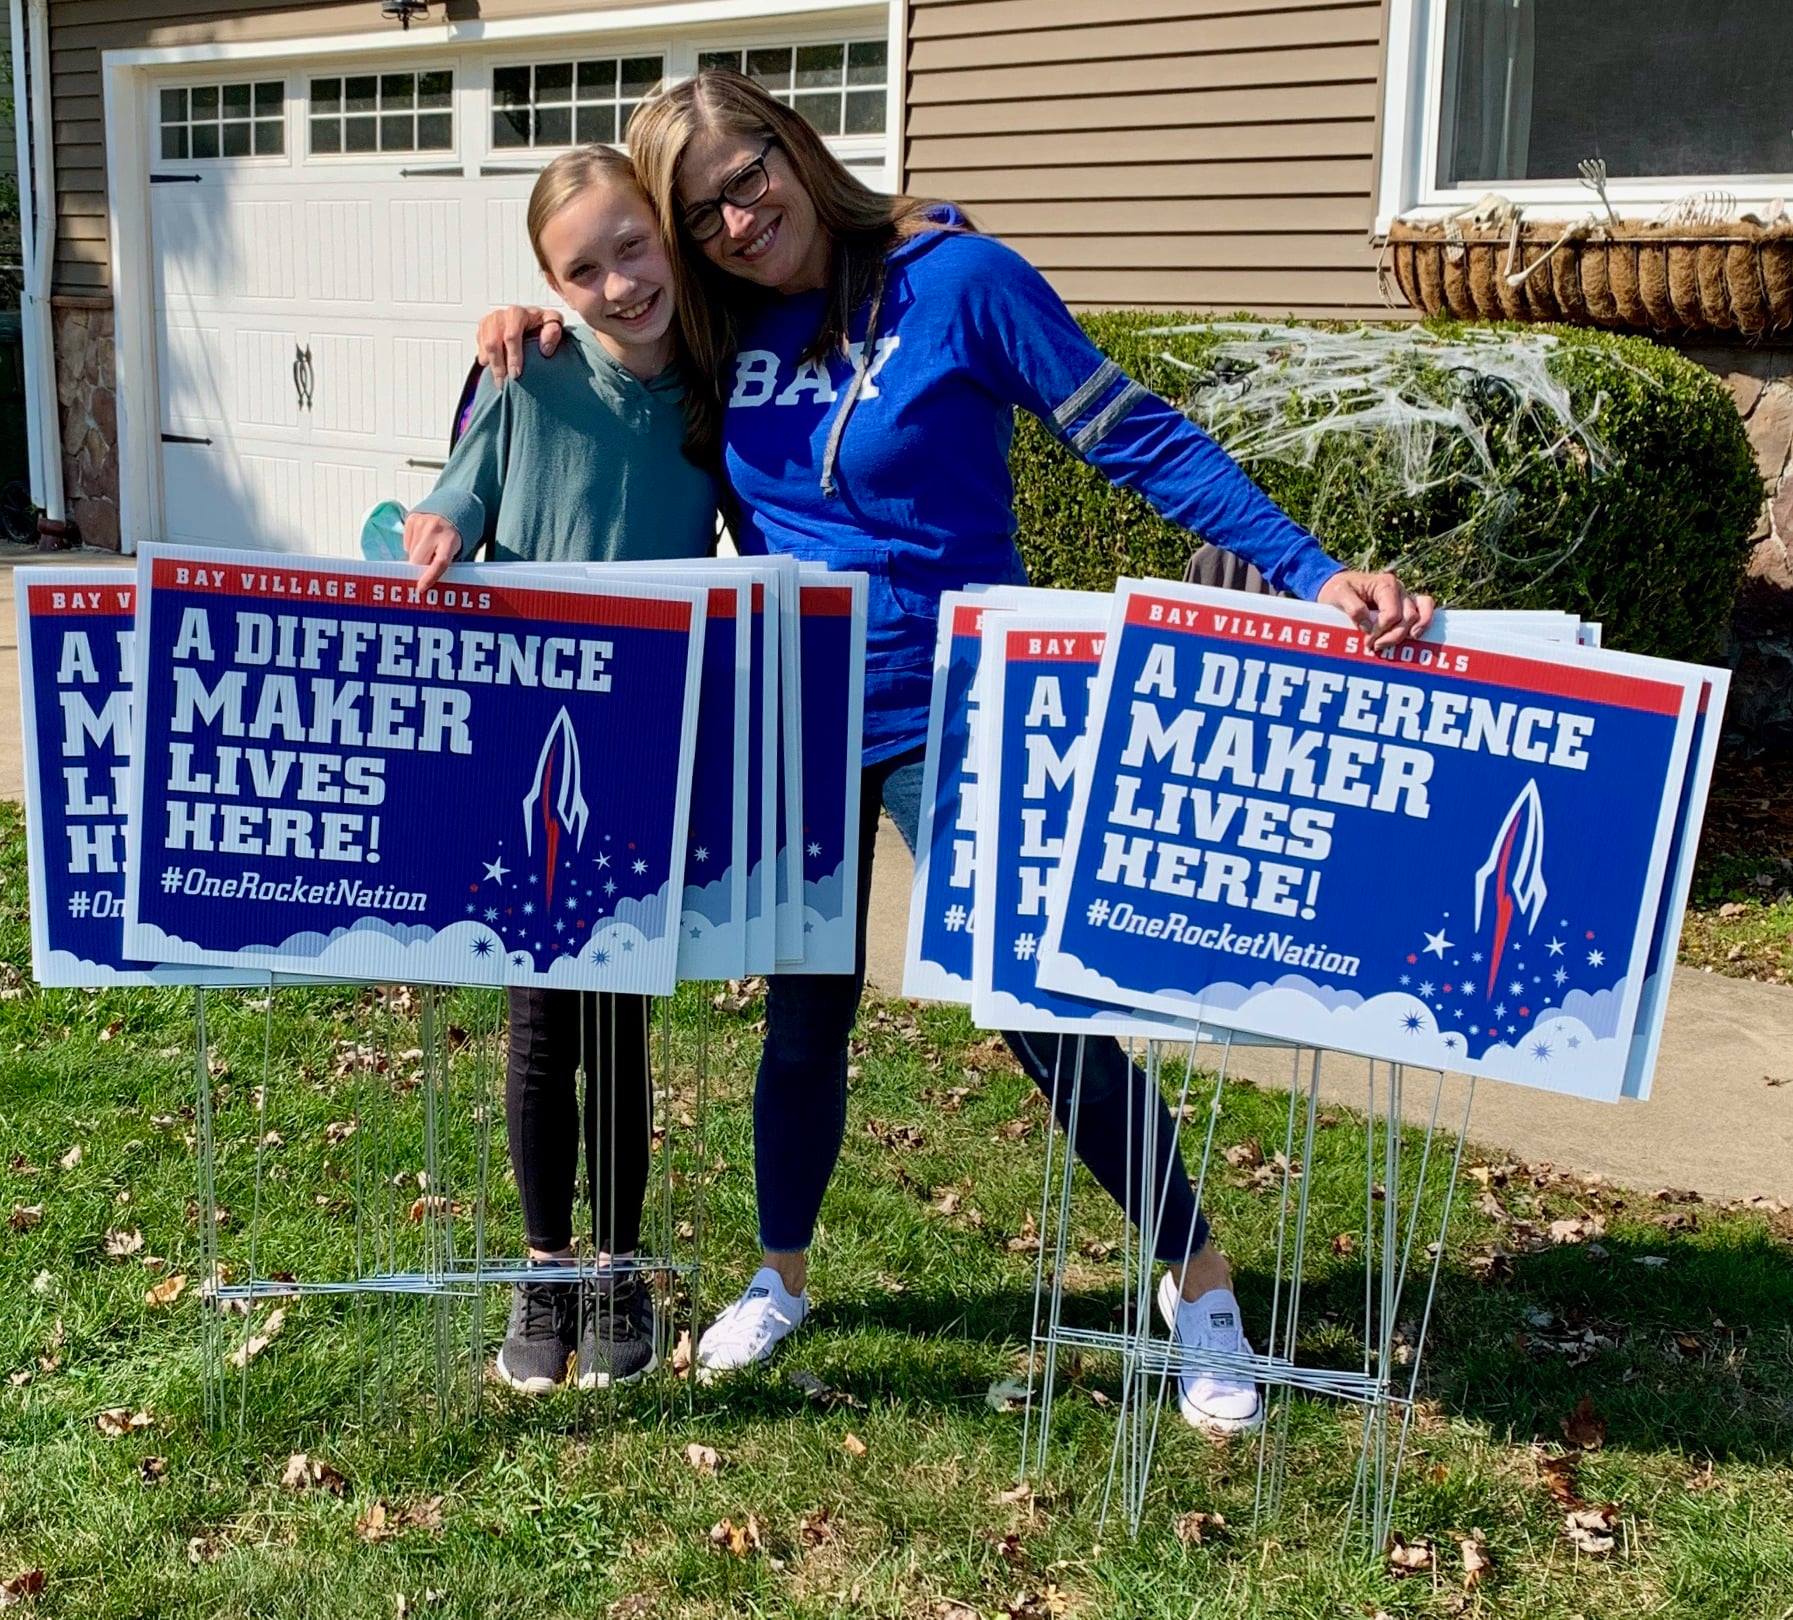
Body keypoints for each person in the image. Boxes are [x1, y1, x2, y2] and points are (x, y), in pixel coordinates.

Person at [474, 71, 1435, 1433]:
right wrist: (526, 322)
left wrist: (1306, 567)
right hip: (795, 706)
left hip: (954, 701)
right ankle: (782, 1273)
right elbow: (611, 357)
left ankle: (1199, 1283)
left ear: (793, 147)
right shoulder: (715, 320)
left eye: (747, 176)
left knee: (1031, 1001)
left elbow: (1129, 433)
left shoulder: (958, 280)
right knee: (803, 1015)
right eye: (701, 213)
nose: (740, 219)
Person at [409, 143, 717, 1393]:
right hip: (526, 735)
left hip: (644, 737)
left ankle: (617, 1267)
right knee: (540, 1027)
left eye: (630, 247)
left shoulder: (713, 384)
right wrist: (437, 523)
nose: (616, 282)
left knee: (620, 1024)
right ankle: (543, 1271)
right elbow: (459, 495)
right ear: (545, 282)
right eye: (578, 268)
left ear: (664, 232)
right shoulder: (522, 371)